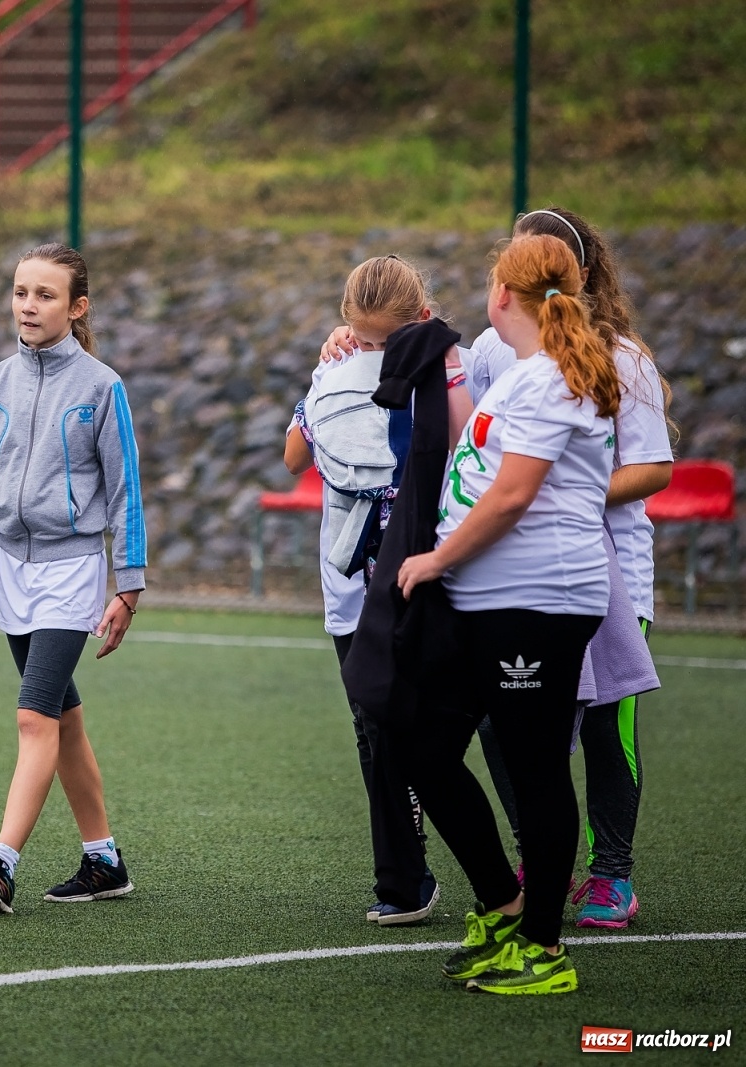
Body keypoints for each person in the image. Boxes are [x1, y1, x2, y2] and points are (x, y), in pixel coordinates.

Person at [398, 233, 620, 995]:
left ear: (502, 296)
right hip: (485, 600)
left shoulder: (558, 376)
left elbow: (515, 493)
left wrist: (436, 557)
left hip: (539, 601)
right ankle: (504, 906)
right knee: (420, 748)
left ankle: (544, 949)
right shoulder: (524, 373)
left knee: (534, 773)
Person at [468, 209, 673, 929]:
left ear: (579, 272)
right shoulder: (494, 350)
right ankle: (537, 853)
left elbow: (650, 469)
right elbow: (459, 412)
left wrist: (559, 488)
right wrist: (351, 343)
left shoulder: (623, 358)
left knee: (605, 728)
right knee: (508, 722)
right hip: (525, 575)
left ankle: (612, 872)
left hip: (613, 571)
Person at [0, 243, 146, 914]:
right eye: (21, 290)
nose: (29, 304)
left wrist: (127, 583)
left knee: (33, 717)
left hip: (74, 571)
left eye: (46, 294)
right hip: (11, 573)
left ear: (77, 307)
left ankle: (0, 864)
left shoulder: (102, 386)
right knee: (64, 718)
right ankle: (104, 860)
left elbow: (126, 487)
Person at [285, 254, 472, 926]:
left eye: (385, 341)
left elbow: (468, 448)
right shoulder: (336, 366)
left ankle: (513, 868)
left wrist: (426, 374)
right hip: (353, 588)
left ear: (421, 319)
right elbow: (295, 455)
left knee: (455, 726)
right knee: (373, 728)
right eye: (360, 337)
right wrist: (334, 376)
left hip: (433, 573)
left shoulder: (455, 364)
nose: (371, 352)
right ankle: (403, 877)